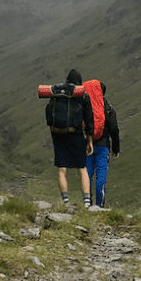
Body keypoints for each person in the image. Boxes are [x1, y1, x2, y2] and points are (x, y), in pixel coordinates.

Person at [45, 68, 93, 206]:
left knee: (62, 169)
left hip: (58, 134)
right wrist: (89, 141)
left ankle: (65, 202)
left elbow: (48, 112)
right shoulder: (82, 95)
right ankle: (87, 202)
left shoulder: (56, 93)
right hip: (76, 134)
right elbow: (89, 120)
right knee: (82, 168)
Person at [84, 81, 120, 208]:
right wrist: (116, 149)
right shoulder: (108, 108)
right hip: (103, 146)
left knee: (87, 174)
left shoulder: (85, 106)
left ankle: (87, 204)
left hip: (87, 146)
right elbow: (114, 130)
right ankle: (100, 205)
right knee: (101, 175)